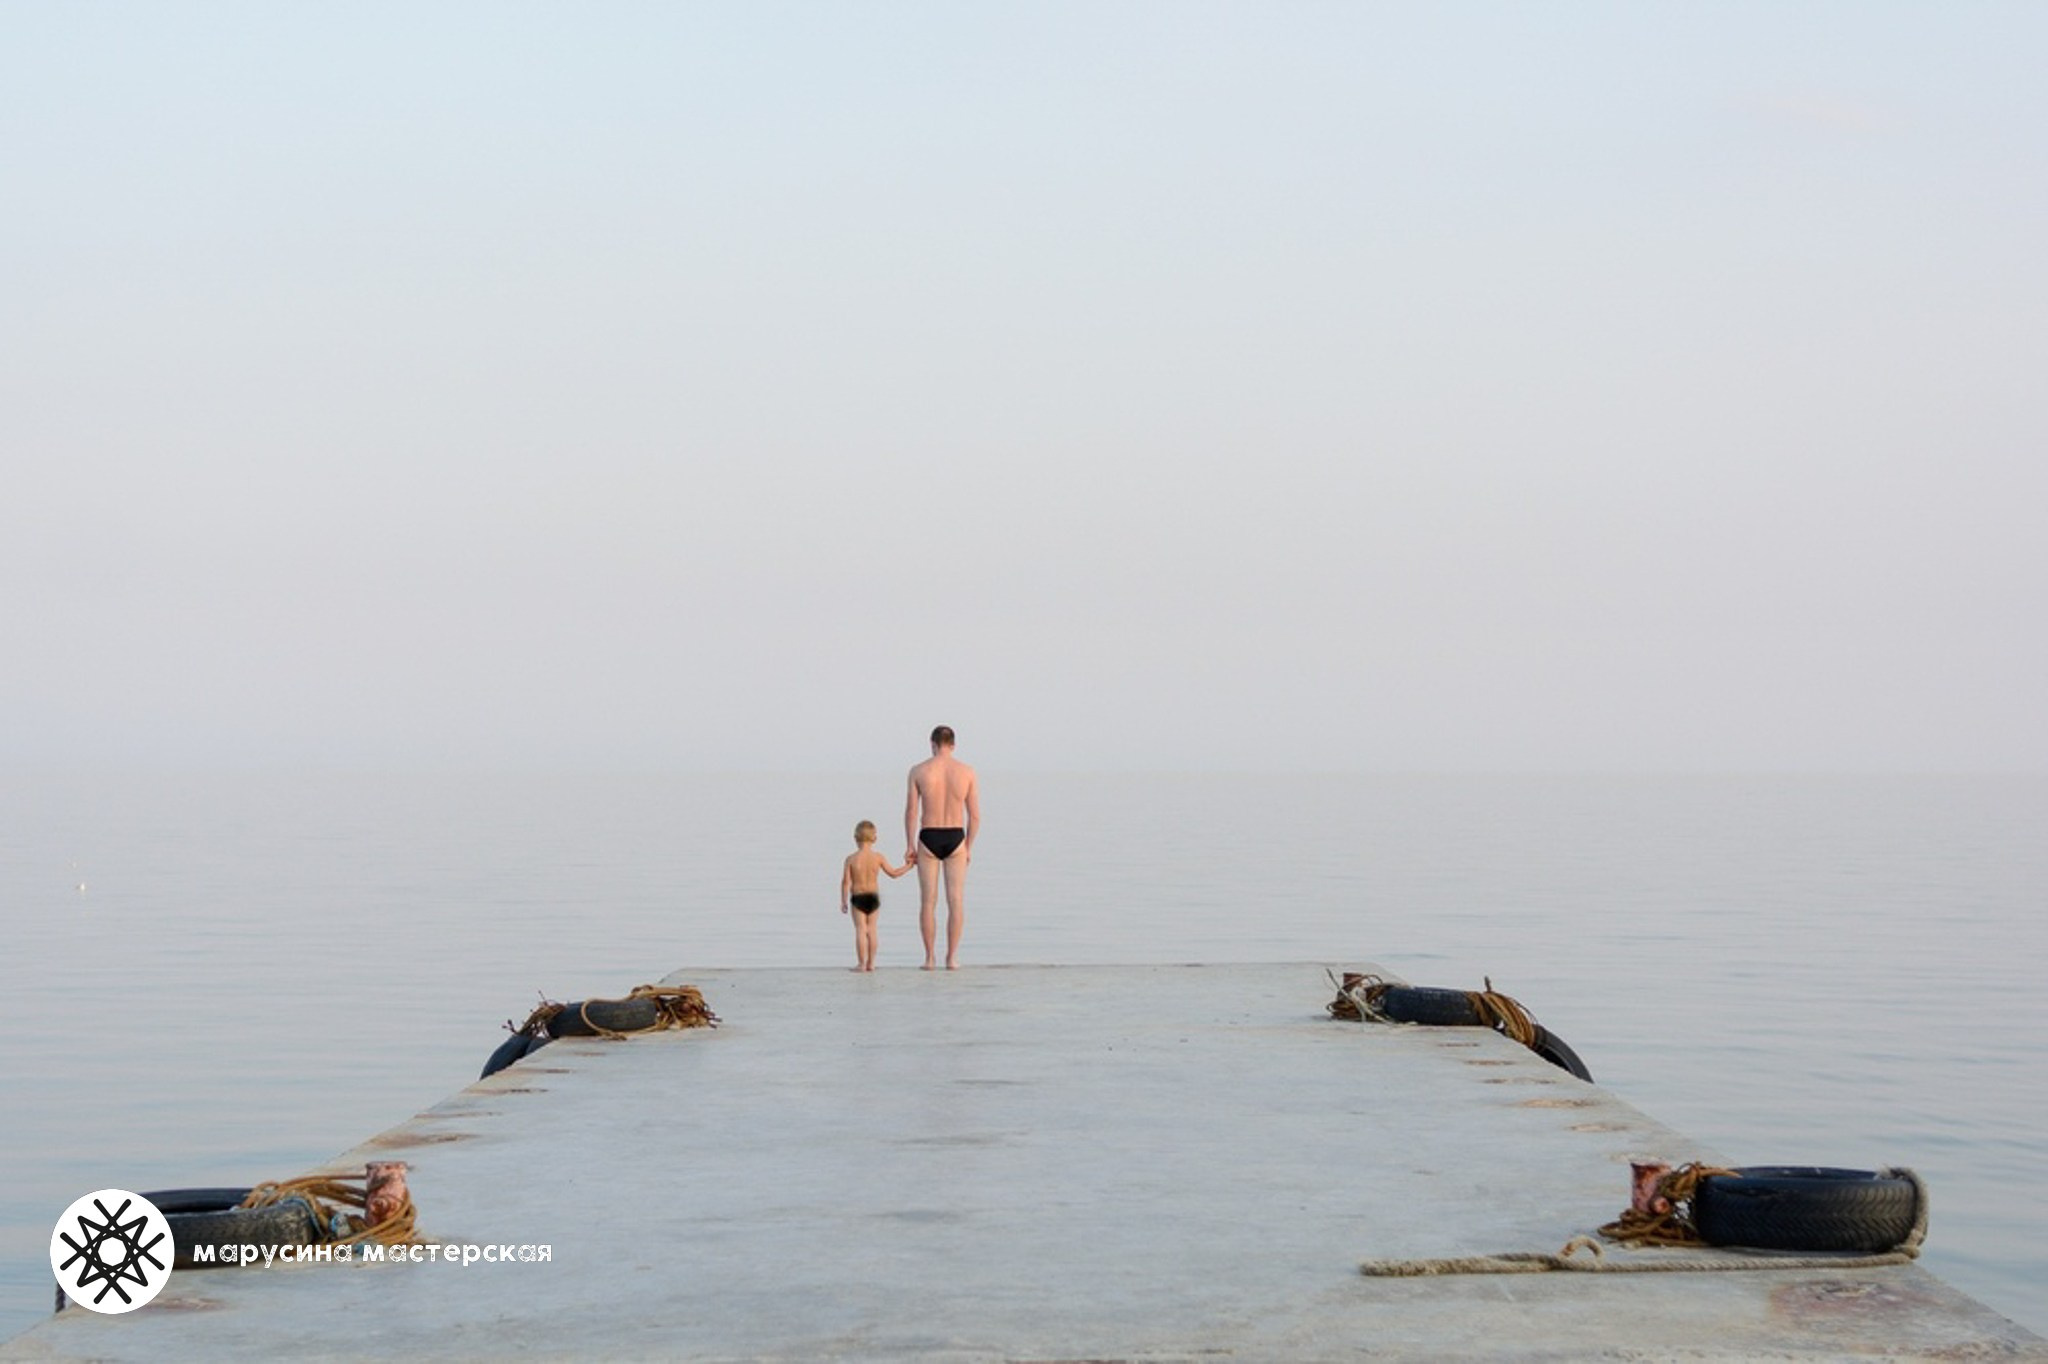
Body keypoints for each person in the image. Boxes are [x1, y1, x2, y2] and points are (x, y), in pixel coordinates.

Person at [904, 725, 980, 970]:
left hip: (928, 835)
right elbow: (975, 816)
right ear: (953, 745)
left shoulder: (918, 771)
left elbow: (912, 812)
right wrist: (968, 846)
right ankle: (952, 958)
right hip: (956, 835)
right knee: (956, 900)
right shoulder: (967, 772)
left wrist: (909, 844)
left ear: (932, 744)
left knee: (928, 901)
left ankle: (929, 958)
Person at [839, 820, 909, 972]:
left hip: (858, 897)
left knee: (860, 929)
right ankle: (871, 963)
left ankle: (861, 964)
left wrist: (843, 901)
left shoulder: (851, 859)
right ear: (874, 839)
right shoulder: (878, 857)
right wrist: (909, 865)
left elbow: (845, 883)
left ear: (855, 838)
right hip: (873, 897)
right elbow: (894, 874)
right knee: (872, 929)